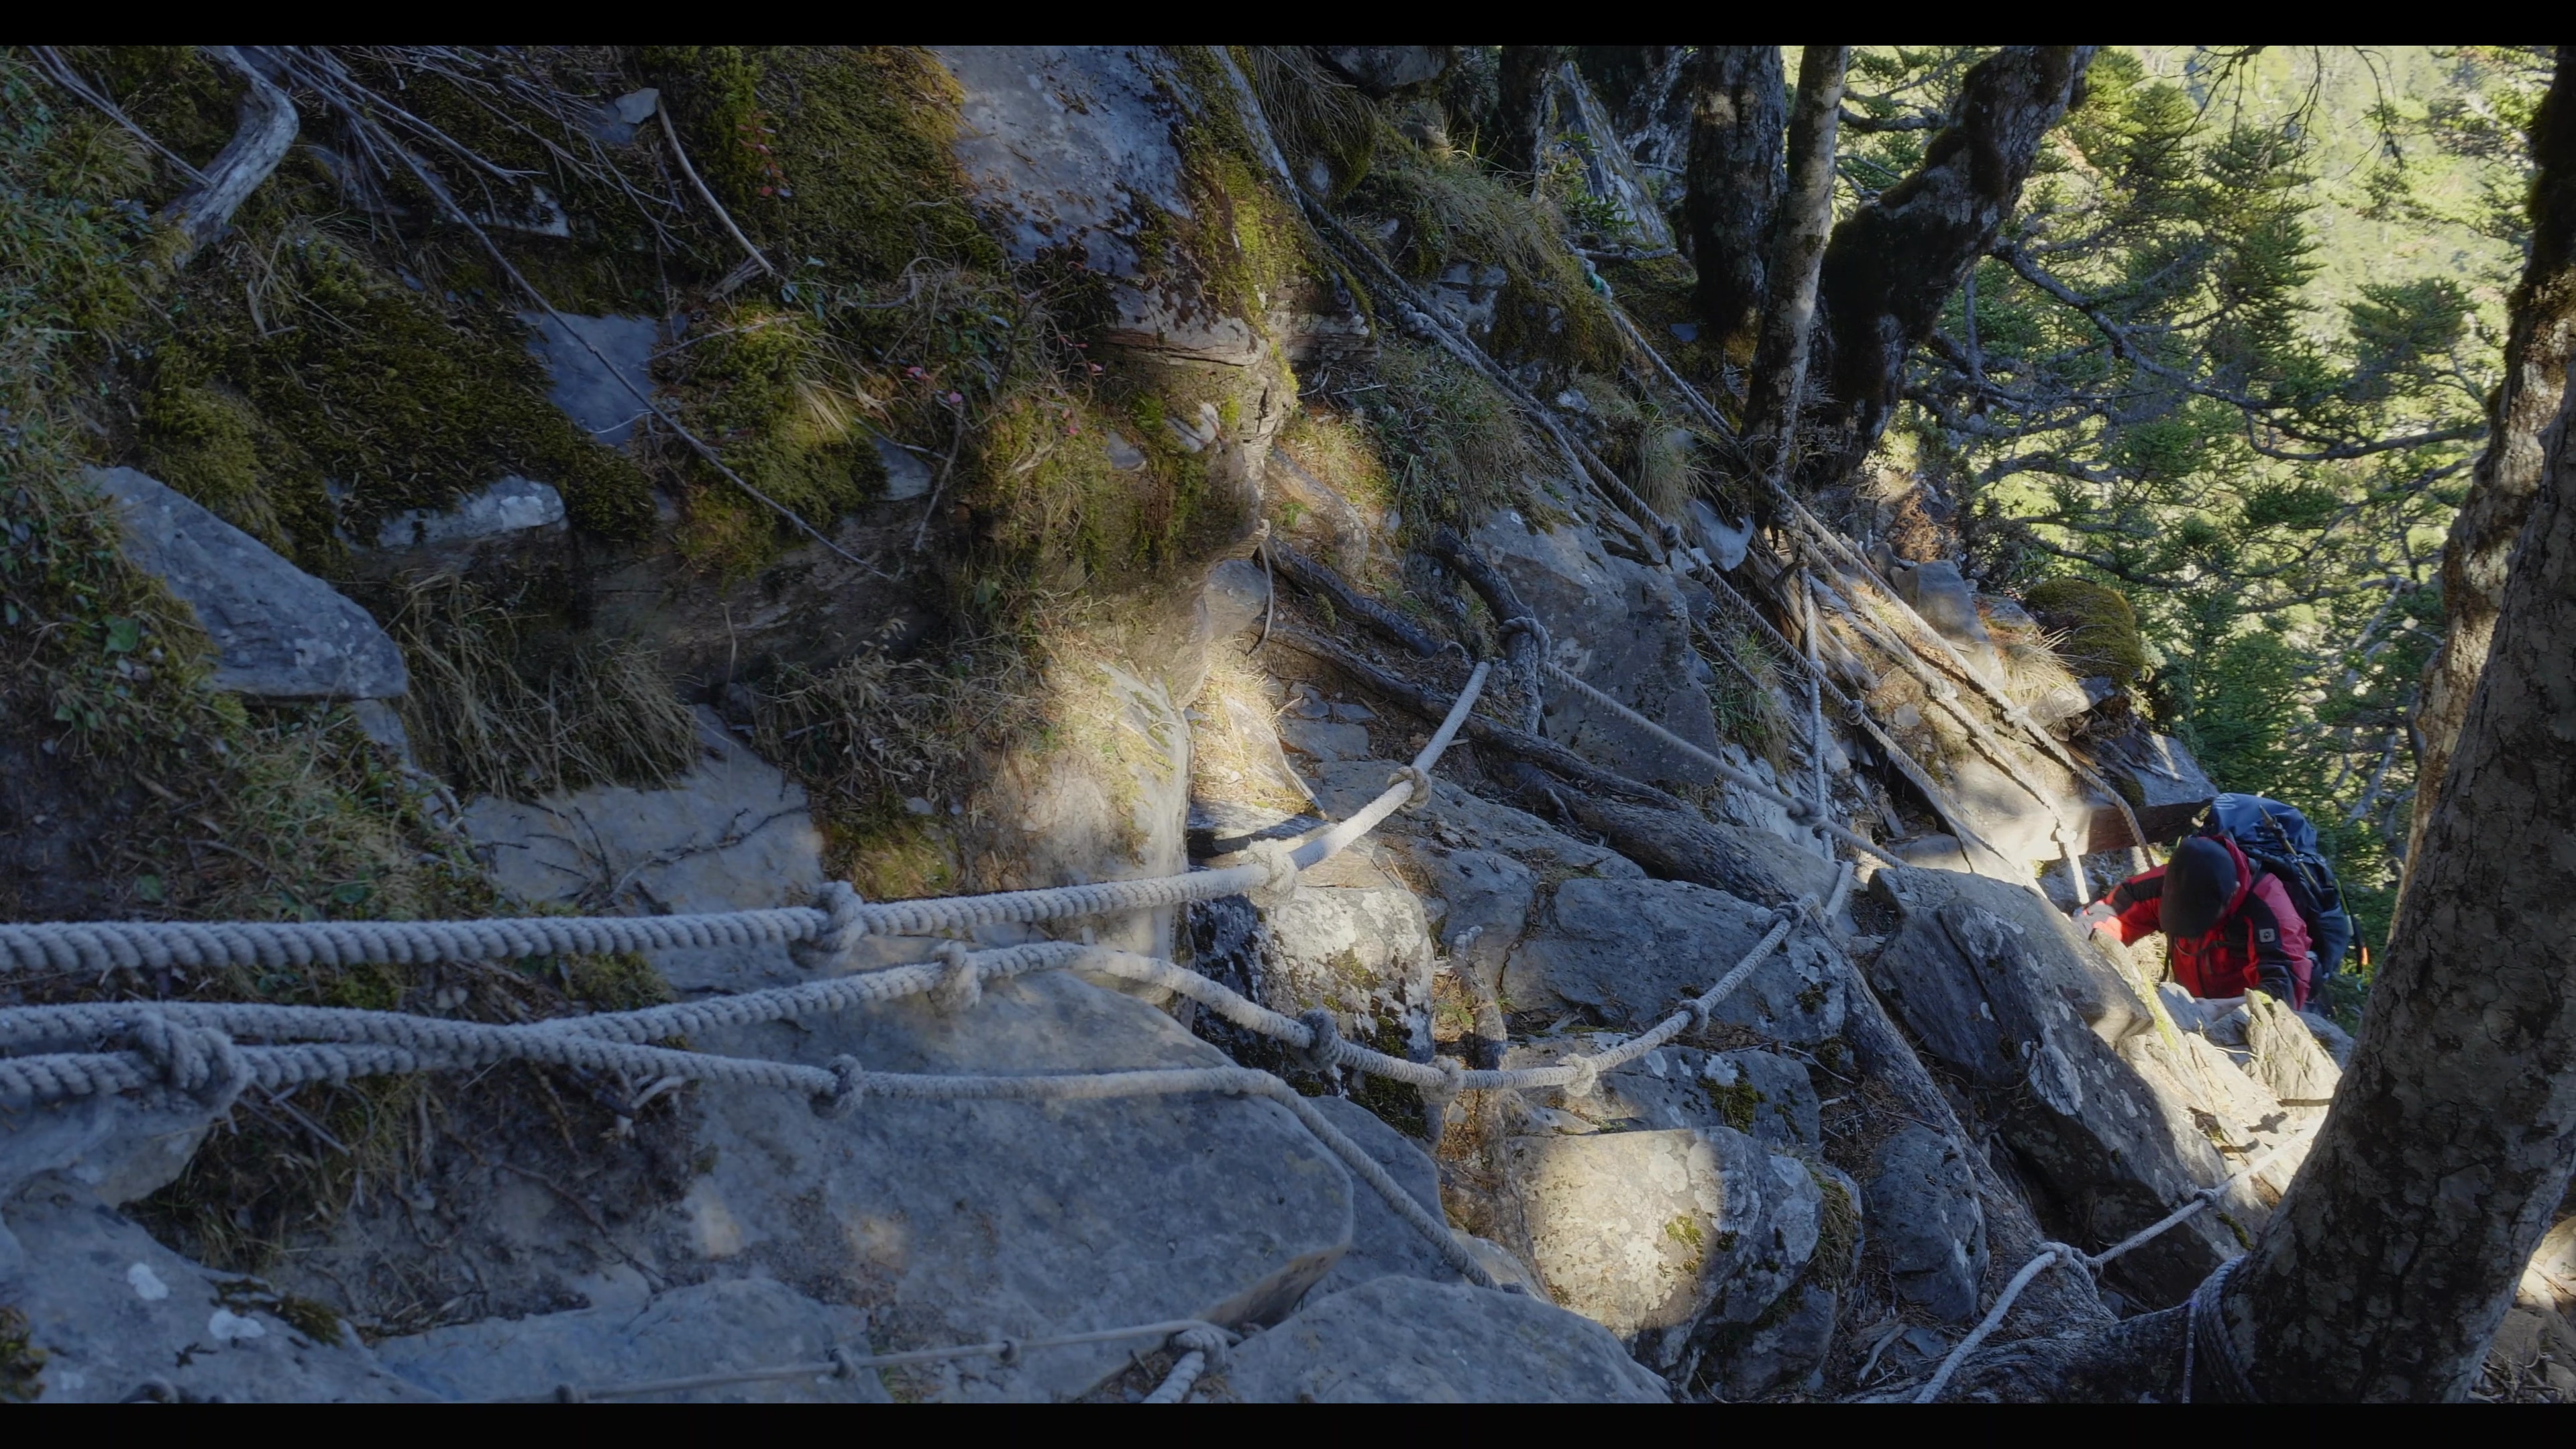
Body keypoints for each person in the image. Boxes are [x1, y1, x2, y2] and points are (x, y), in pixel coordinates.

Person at [2075, 833, 2314, 1010]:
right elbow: (2112, 915)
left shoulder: (2270, 910)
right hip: (2186, 998)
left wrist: (2220, 1010)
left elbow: (2285, 990)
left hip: (2234, 1014)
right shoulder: (2170, 879)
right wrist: (2076, 940)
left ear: (2233, 894)